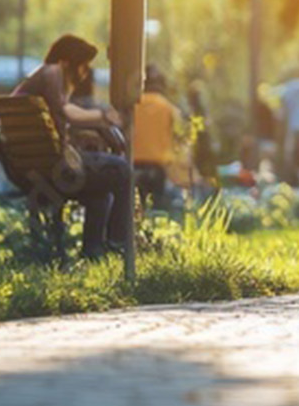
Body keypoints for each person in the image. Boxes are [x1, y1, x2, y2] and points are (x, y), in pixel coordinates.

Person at [12, 34, 133, 259]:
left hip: (30, 164)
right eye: (84, 65)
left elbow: (61, 118)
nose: (85, 72)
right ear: (68, 62)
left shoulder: (41, 77)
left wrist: (96, 123)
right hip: (52, 167)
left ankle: (93, 253)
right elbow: (66, 112)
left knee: (100, 194)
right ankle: (119, 243)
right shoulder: (53, 72)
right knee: (122, 169)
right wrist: (103, 115)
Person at [131, 65, 185, 219]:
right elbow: (178, 138)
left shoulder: (131, 105)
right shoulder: (169, 108)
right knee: (158, 208)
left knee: (135, 209)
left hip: (133, 165)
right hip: (158, 166)